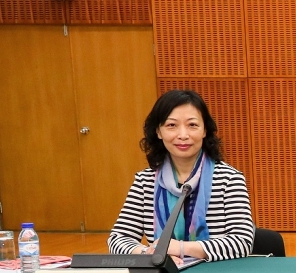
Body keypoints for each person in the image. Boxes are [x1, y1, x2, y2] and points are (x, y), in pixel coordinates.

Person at [108, 89, 255, 261]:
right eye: (171, 125)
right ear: (158, 132)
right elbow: (118, 239)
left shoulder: (228, 179)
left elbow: (242, 242)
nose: (183, 135)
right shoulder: (145, 181)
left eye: (192, 125)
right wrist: (150, 254)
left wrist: (180, 248)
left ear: (204, 130)